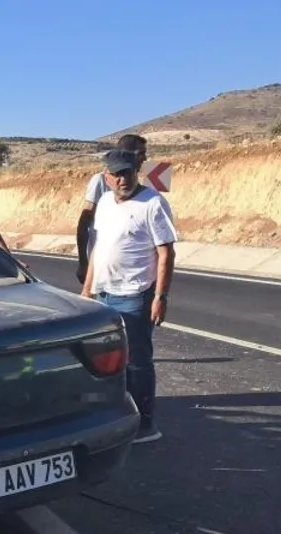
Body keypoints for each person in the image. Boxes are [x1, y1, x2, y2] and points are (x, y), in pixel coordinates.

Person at [80, 148, 177, 443]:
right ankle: (115, 416)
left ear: (136, 172)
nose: (123, 179)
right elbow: (98, 248)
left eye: (128, 172)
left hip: (134, 296)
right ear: (106, 177)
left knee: (137, 362)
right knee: (104, 360)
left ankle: (145, 425)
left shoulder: (153, 203)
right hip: (103, 294)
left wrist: (160, 297)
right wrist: (87, 289)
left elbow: (166, 253)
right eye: (117, 174)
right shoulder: (105, 202)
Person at [76, 134, 149, 283]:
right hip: (102, 269)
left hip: (131, 273)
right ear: (128, 153)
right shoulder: (100, 181)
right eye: (141, 153)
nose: (145, 158)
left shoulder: (137, 185)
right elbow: (84, 223)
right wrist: (83, 262)